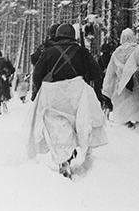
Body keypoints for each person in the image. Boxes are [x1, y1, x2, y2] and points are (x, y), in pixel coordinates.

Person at [26, 23, 108, 179]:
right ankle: (75, 152)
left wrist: (41, 90)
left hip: (53, 94)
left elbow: (37, 75)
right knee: (78, 124)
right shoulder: (81, 51)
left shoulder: (48, 51)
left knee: (58, 127)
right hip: (76, 93)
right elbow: (96, 72)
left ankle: (64, 159)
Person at [102, 28, 139, 124]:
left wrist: (106, 92)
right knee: (138, 112)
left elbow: (110, 74)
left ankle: (126, 128)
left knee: (123, 113)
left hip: (121, 88)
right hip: (137, 86)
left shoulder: (116, 53)